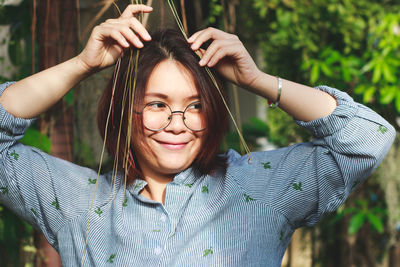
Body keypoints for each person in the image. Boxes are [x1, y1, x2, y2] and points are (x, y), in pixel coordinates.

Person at [0, 4, 395, 267]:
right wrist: (81, 65)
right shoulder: (76, 202)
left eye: (194, 106)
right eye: (157, 104)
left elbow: (368, 136)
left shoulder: (260, 187)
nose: (178, 123)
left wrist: (256, 81)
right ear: (124, 112)